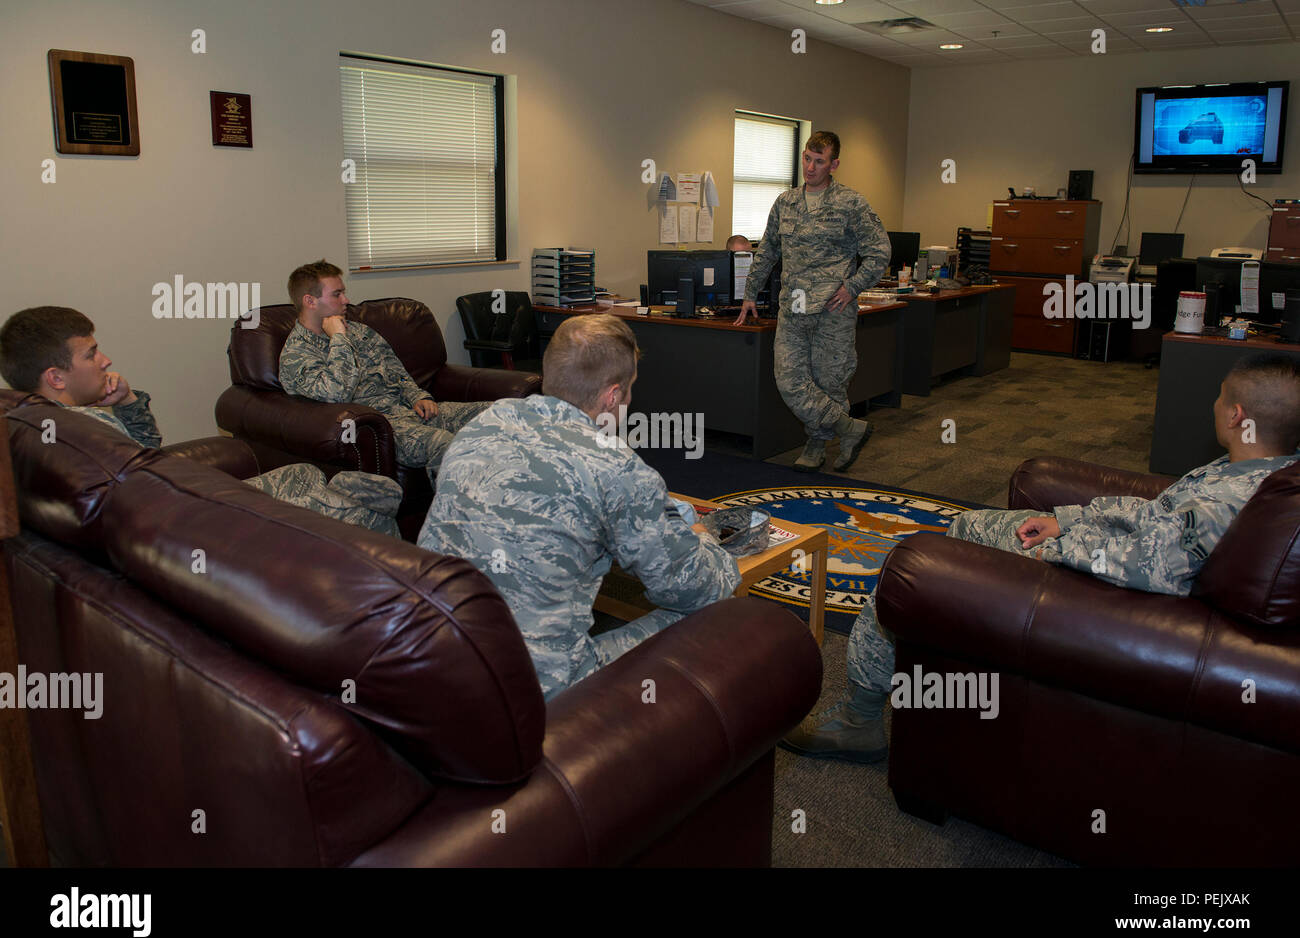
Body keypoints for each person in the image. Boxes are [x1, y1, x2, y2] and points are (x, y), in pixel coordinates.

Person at [783, 353, 1300, 764]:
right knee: (963, 526)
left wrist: (1056, 544)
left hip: (1096, 590)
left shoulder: (1225, 503)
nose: (1213, 405)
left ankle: (859, 721)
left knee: (908, 567)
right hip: (1095, 553)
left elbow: (1154, 561)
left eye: (1218, 398)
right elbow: (1156, 512)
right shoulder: (1260, 471)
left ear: (1236, 415)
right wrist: (1070, 518)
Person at [418, 314, 741, 699]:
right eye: (631, 391)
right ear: (612, 396)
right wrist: (707, 543)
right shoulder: (616, 466)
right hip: (533, 688)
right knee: (714, 608)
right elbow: (693, 588)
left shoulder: (485, 422)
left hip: (430, 654)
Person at [0, 306, 403, 537]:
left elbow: (145, 458)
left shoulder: (46, 422)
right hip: (206, 522)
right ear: (56, 377)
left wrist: (126, 403)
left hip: (185, 501)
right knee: (372, 506)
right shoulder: (87, 431)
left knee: (307, 474)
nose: (104, 360)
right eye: (90, 354)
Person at [734, 131, 891, 473]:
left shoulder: (851, 203)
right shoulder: (786, 202)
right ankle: (850, 428)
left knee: (830, 381)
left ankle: (817, 445)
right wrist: (749, 294)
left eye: (819, 161)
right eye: (807, 158)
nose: (810, 167)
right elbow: (767, 253)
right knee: (788, 379)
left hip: (834, 309)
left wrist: (853, 287)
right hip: (794, 307)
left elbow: (880, 251)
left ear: (834, 164)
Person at [277, 260, 489, 481]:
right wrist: (338, 338)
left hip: (410, 412)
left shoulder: (360, 332)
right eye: (337, 294)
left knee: (501, 414)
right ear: (310, 301)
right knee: (446, 444)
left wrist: (418, 396)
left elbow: (396, 372)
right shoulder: (296, 354)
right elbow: (336, 394)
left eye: (344, 293)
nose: (346, 300)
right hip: (383, 429)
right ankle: (462, 512)